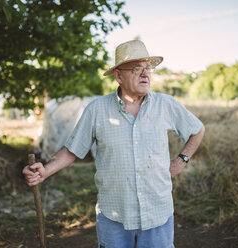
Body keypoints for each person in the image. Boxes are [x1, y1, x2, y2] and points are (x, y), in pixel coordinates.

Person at [22, 40, 205, 248]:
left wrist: (180, 161)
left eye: (148, 68)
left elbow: (197, 130)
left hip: (157, 215)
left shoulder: (166, 105)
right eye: (137, 68)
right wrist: (44, 171)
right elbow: (71, 151)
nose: (145, 74)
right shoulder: (97, 110)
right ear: (118, 76)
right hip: (114, 217)